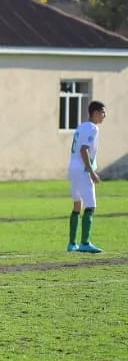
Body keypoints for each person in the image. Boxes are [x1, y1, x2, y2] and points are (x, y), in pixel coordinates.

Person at [67, 100, 107, 254]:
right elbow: (84, 150)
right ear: (95, 113)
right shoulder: (93, 128)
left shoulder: (81, 126)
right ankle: (84, 242)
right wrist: (91, 171)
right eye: (103, 112)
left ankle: (72, 244)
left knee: (78, 205)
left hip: (73, 168)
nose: (105, 116)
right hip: (83, 170)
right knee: (91, 206)